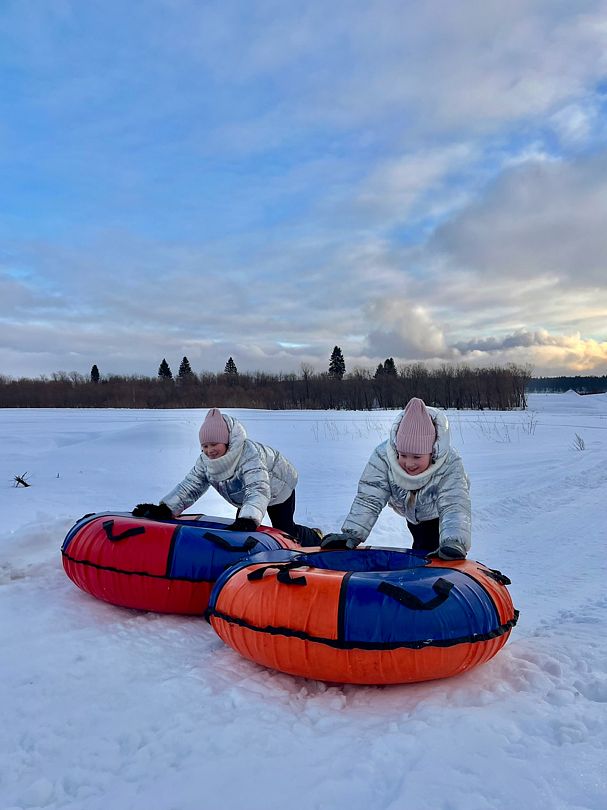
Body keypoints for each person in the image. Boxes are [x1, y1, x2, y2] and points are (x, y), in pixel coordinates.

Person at [132, 408, 322, 547]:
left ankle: (314, 537)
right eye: (205, 446)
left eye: (214, 444)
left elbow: (258, 488)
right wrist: (165, 509)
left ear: (227, 441)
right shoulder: (205, 461)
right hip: (245, 493)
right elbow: (191, 486)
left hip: (278, 487)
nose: (210, 450)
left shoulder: (249, 455)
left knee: (285, 530)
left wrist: (249, 519)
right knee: (241, 535)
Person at [321, 397, 471, 559]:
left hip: (437, 515)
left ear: (432, 452)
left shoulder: (450, 463)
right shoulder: (383, 457)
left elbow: (454, 504)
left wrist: (454, 542)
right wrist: (352, 534)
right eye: (403, 455)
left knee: (432, 547)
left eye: (417, 457)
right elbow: (369, 498)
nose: (409, 463)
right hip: (412, 512)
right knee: (420, 548)